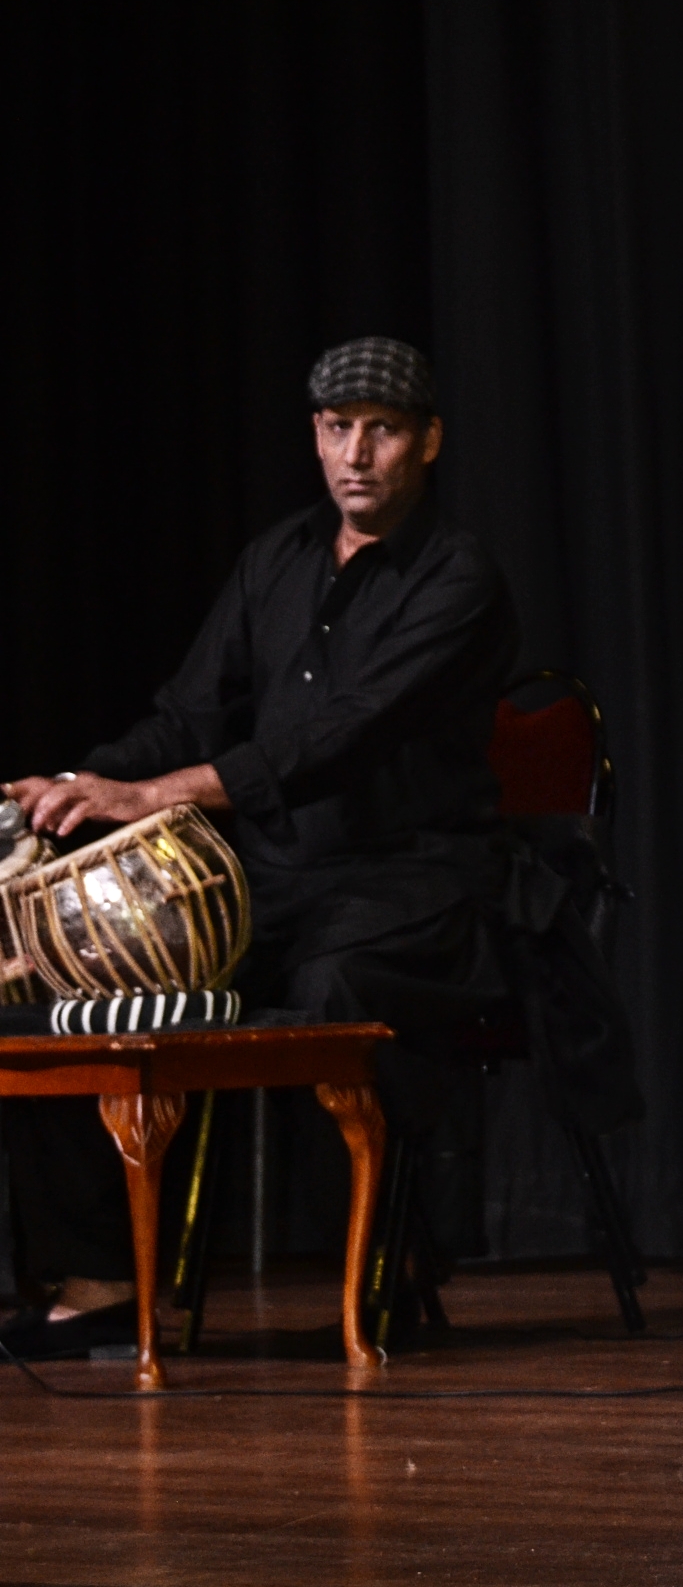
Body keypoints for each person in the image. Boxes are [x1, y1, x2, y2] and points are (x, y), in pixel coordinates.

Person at [2, 337, 519, 1357]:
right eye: (338, 428)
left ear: (428, 442)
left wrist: (152, 796)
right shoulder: (276, 560)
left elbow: (342, 736)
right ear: (315, 437)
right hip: (272, 884)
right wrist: (77, 785)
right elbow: (188, 714)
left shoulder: (459, 577)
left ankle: (377, 1277)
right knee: (62, 986)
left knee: (335, 989)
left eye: (383, 430)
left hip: (414, 881)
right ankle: (102, 1280)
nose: (356, 454)